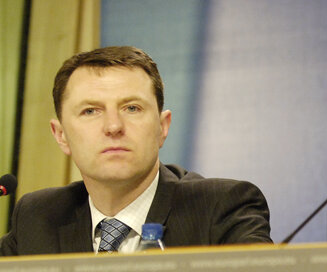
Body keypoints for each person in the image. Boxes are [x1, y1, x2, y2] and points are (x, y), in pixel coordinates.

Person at [0, 46, 271, 256]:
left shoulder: (221, 209)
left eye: (132, 108)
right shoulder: (39, 217)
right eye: (90, 111)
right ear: (61, 136)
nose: (114, 126)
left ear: (162, 127)